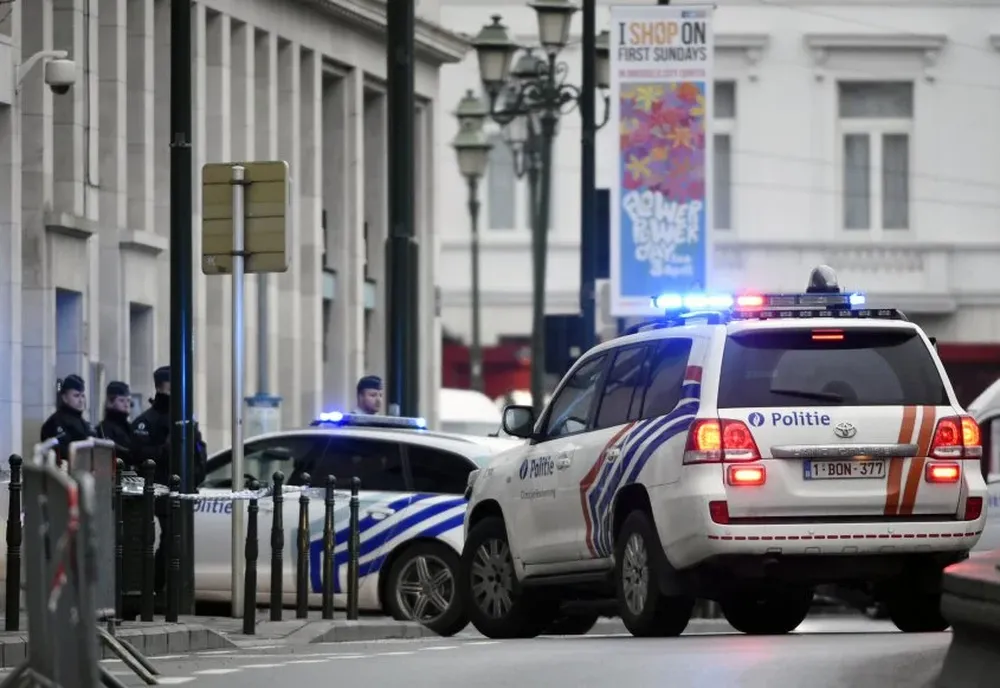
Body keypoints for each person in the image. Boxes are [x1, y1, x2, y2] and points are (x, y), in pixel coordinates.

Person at [131, 365, 207, 592]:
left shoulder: (184, 419)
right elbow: (139, 455)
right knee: (167, 539)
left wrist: (196, 474)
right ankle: (155, 587)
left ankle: (169, 589)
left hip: (183, 489)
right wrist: (165, 450)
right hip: (160, 491)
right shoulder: (147, 421)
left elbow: (198, 451)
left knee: (178, 539)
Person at [40, 374, 96, 463]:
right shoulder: (55, 422)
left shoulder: (84, 424)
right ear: (65, 398)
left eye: (82, 396)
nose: (81, 400)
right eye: (76, 396)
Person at [97, 381, 133, 463]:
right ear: (110, 402)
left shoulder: (130, 427)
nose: (126, 404)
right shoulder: (103, 429)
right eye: (121, 400)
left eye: (128, 400)